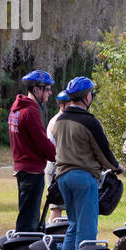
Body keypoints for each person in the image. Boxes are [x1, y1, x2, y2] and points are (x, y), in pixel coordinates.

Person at [48, 77, 123, 250]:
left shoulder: (60, 120)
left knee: (73, 224)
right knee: (88, 226)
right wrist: (117, 167)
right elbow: (103, 152)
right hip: (83, 177)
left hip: (62, 177)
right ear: (87, 96)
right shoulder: (89, 121)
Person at [8, 70, 58, 232]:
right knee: (29, 221)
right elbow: (42, 142)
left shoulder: (17, 109)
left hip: (22, 168)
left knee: (26, 215)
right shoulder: (31, 112)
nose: (50, 93)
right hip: (32, 171)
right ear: (37, 89)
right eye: (47, 89)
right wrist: (57, 155)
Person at [45, 90, 71, 222]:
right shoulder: (57, 121)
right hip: (55, 165)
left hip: (62, 164)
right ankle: (52, 235)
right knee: (56, 207)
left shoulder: (65, 120)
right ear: (63, 105)